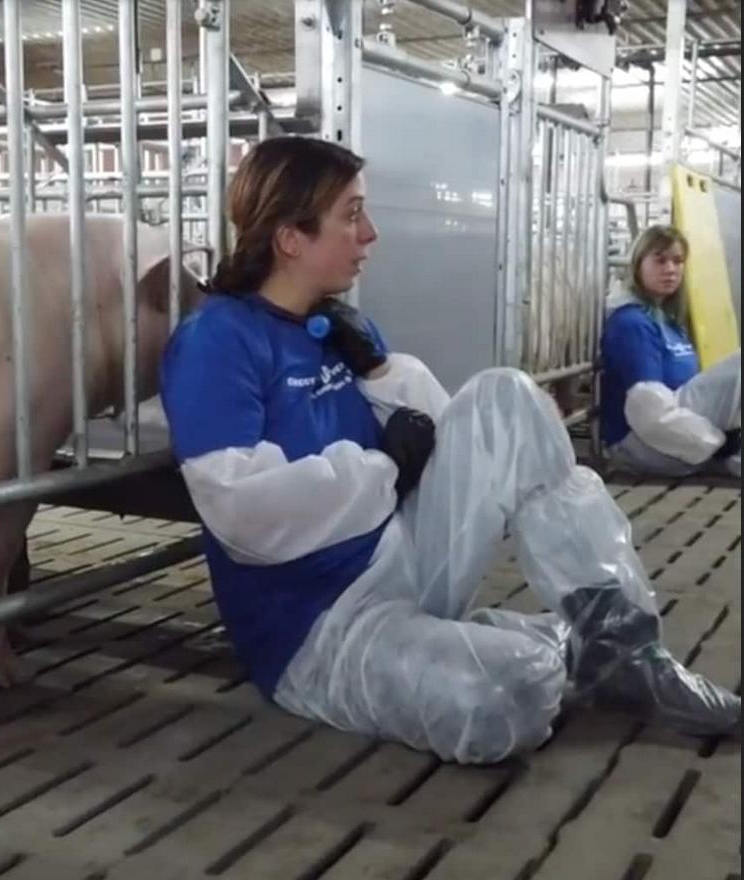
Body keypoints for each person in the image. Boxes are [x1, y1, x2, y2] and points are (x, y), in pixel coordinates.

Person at [160, 137, 740, 765]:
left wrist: (385, 372)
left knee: (506, 394)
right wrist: (386, 467)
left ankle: (625, 645)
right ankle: (550, 647)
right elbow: (243, 516)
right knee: (505, 695)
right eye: (351, 215)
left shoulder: (340, 328)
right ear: (290, 237)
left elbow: (446, 432)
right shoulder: (217, 341)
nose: (370, 233)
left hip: (400, 558)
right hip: (318, 625)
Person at [601, 225, 741, 477]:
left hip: (680, 436)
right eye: (660, 260)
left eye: (677, 261)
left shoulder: (667, 321)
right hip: (642, 442)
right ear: (638, 265)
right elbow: (647, 412)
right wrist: (717, 442)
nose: (670, 269)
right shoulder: (632, 324)